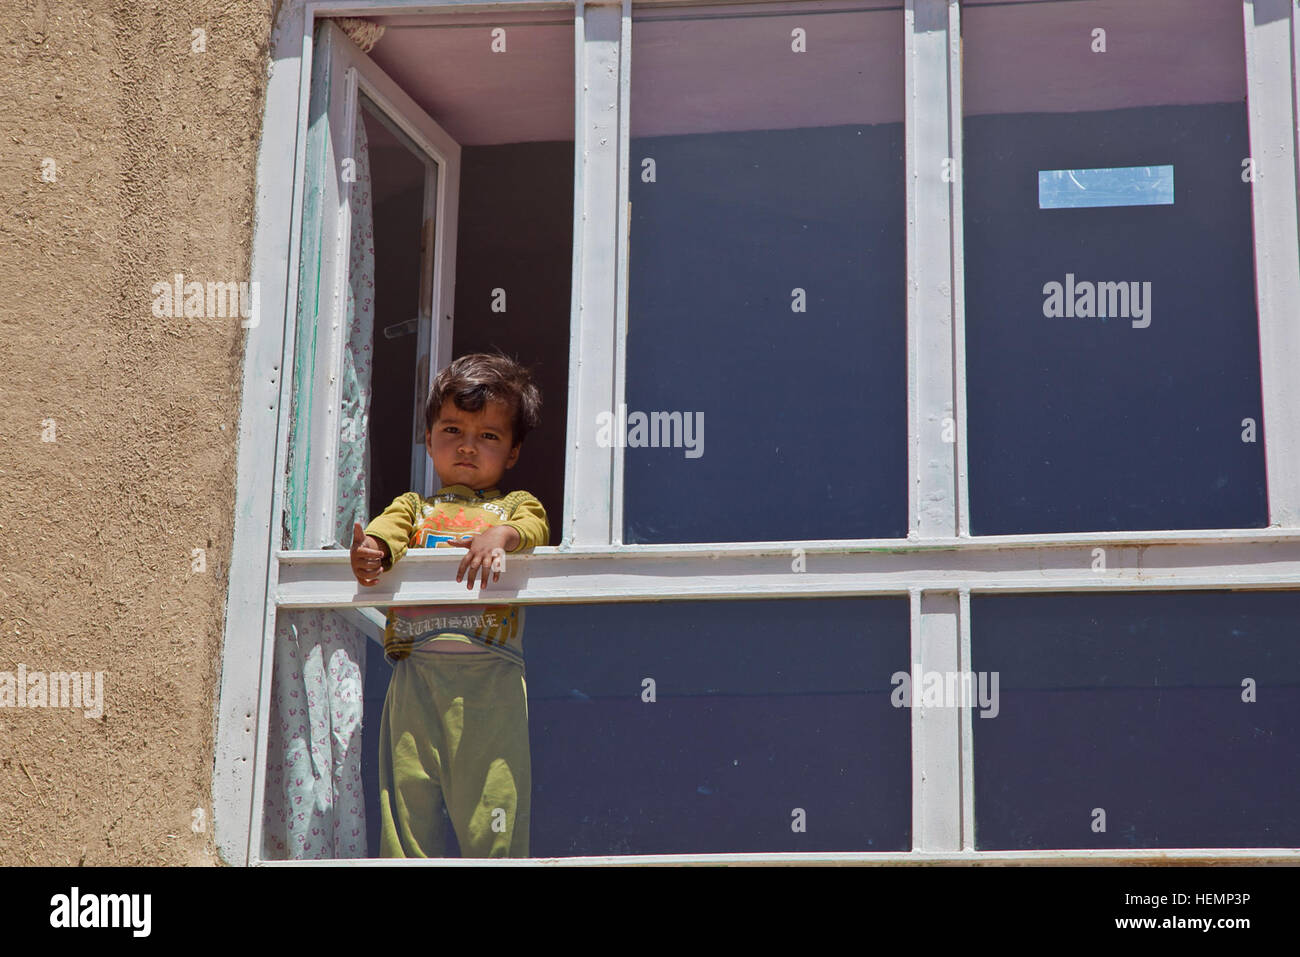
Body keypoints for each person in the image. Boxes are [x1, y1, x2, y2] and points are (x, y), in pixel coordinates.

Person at [349, 352, 549, 857]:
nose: (466, 446)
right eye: (452, 429)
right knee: (407, 811)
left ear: (513, 452)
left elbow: (536, 528)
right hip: (415, 674)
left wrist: (500, 536)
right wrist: (370, 553)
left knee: (492, 812)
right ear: (429, 438)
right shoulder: (416, 507)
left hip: (490, 678)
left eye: (488, 436)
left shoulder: (514, 506)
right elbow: (385, 534)